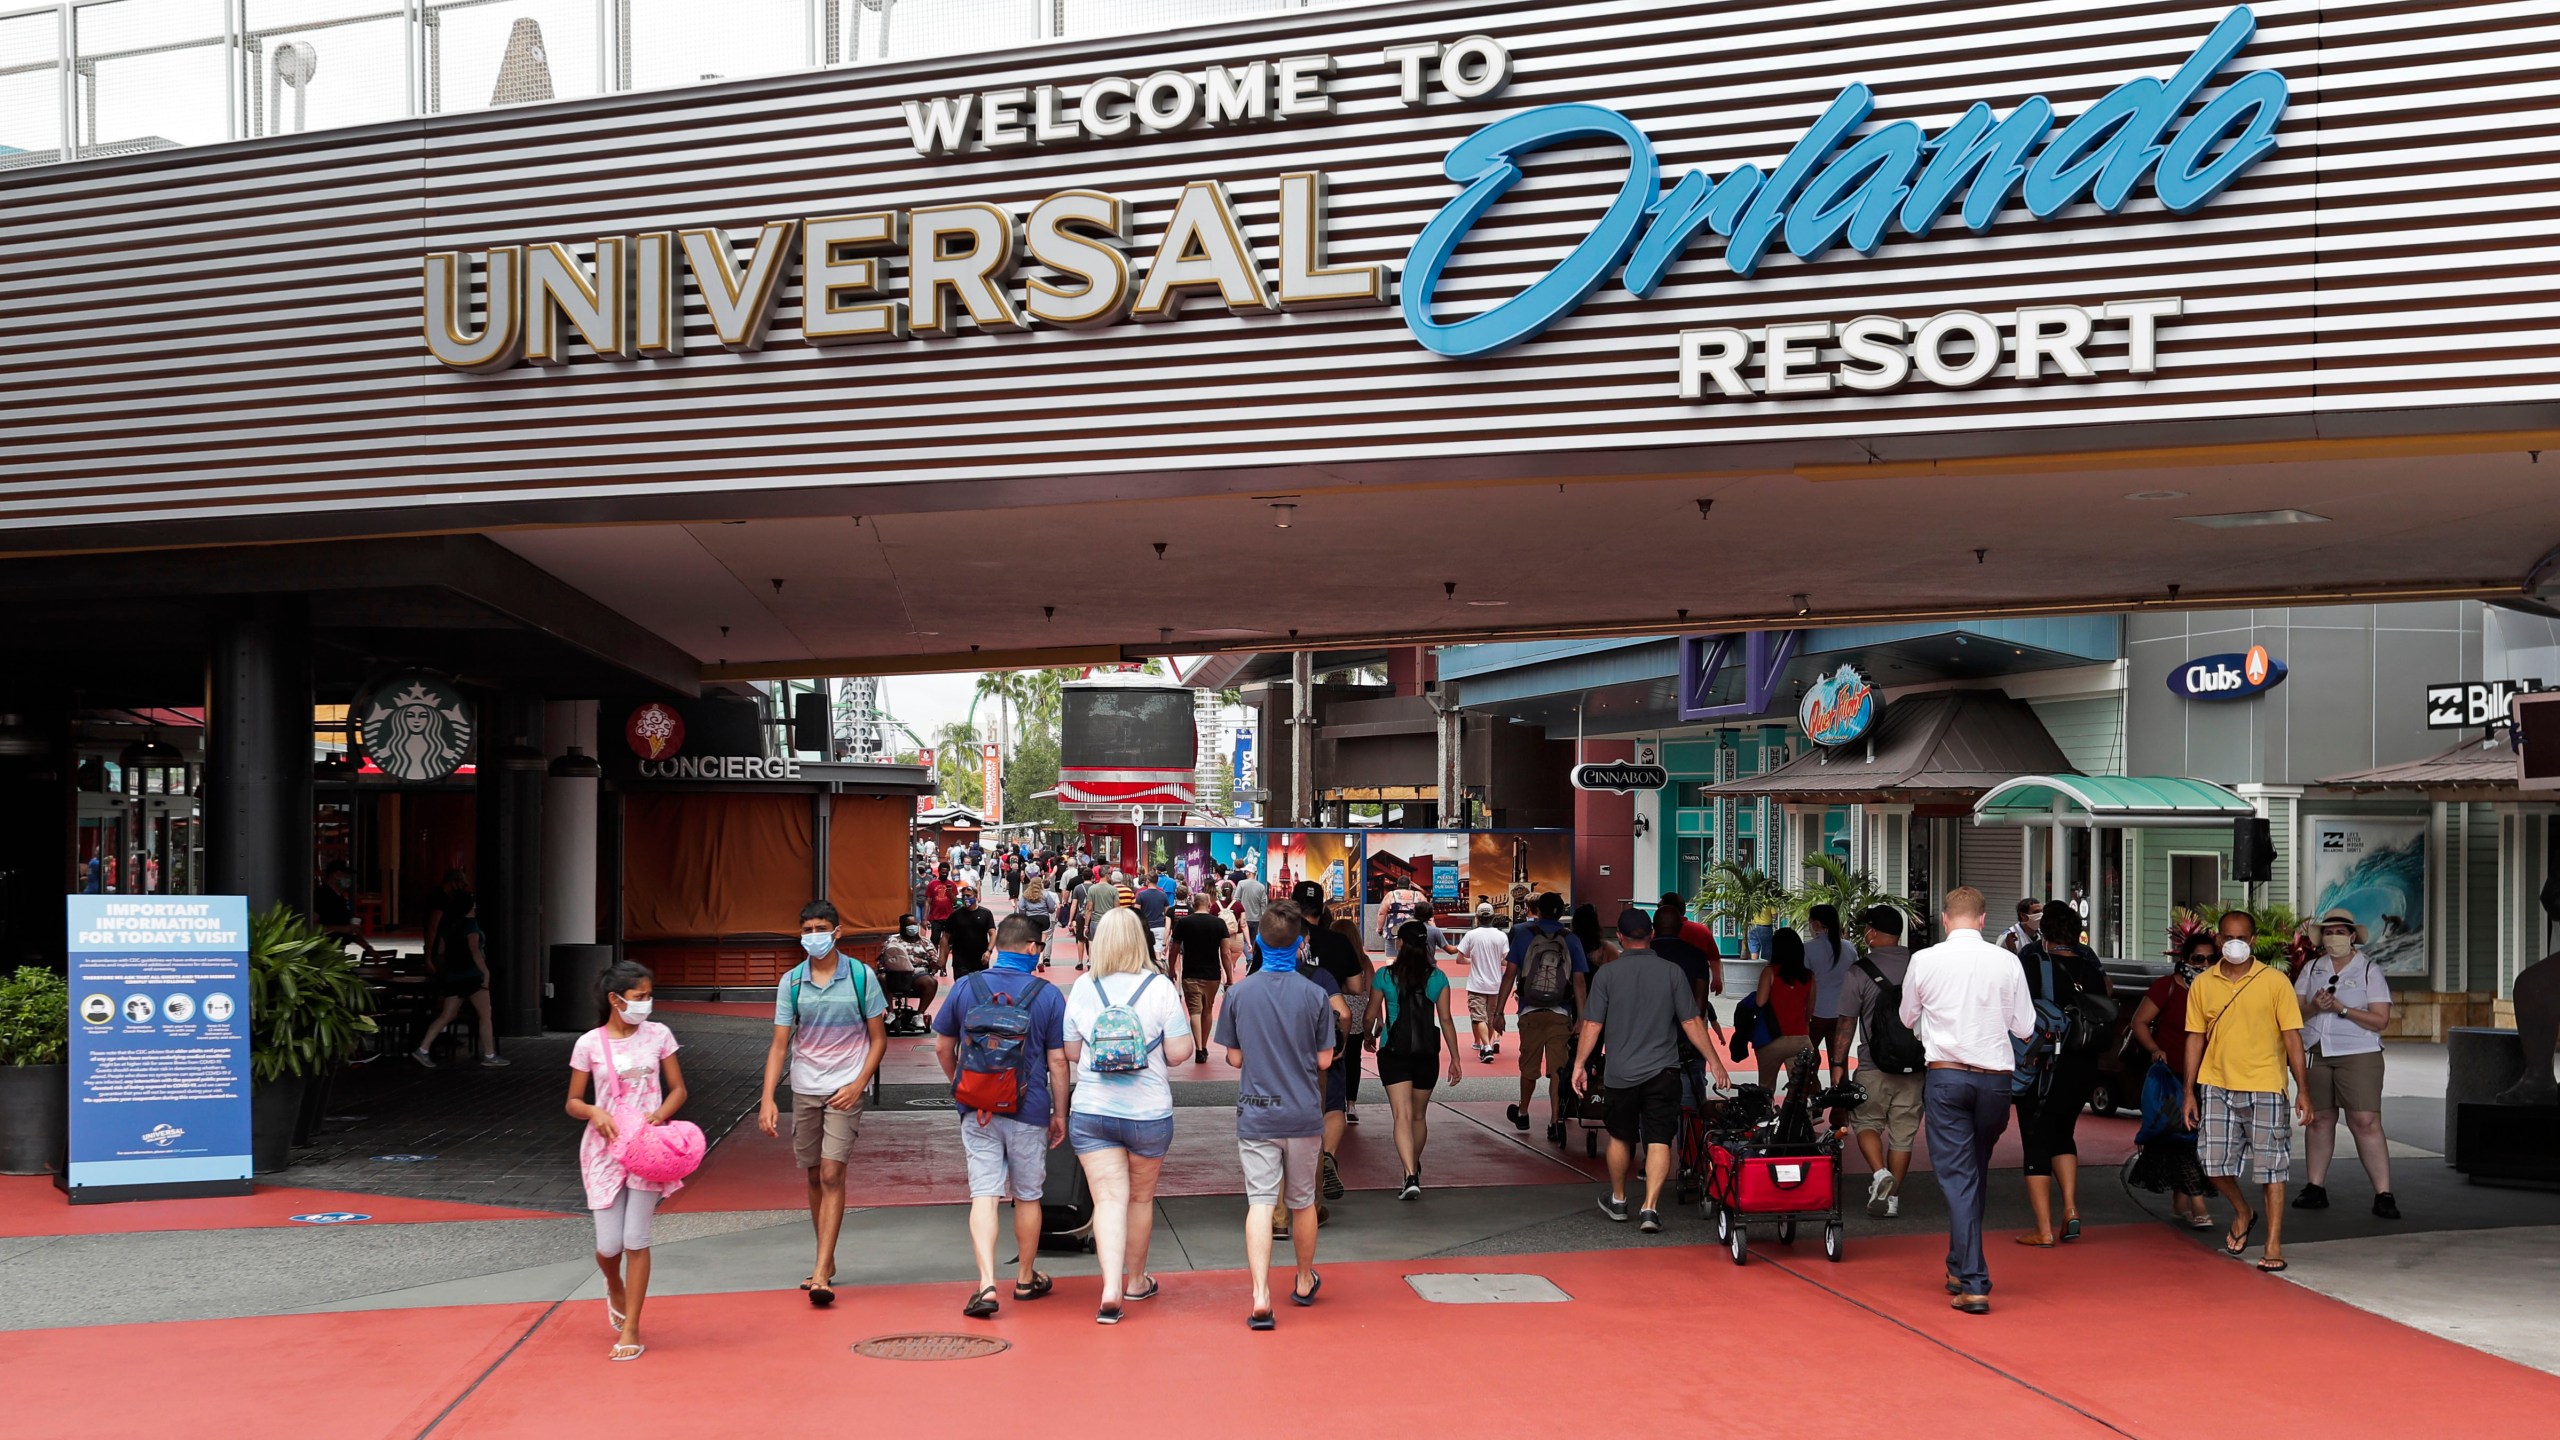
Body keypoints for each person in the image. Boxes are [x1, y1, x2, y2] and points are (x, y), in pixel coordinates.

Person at [1901, 886, 2035, 1314]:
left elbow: (1907, 1017)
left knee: (1959, 1178)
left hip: (1946, 1079)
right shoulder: (2008, 961)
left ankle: (1975, 1281)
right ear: (1982, 919)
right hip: (1996, 1081)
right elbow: (2026, 1026)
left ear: (1944, 919)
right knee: (1973, 1170)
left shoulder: (1924, 960)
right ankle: (1958, 1265)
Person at [934, 914, 1070, 1319]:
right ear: (1031, 948)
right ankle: (1026, 1278)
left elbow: (944, 1047)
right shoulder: (1047, 995)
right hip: (1028, 1110)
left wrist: (961, 1084)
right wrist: (1058, 1113)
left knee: (984, 1194)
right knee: (1027, 1196)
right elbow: (1058, 1062)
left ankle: (987, 1283)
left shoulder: (966, 987)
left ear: (997, 946)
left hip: (977, 1110)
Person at [1065, 909, 1196, 1323]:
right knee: (1139, 1199)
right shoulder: (1159, 987)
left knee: (1107, 1200)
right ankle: (1136, 1281)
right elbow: (1178, 1053)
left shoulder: (1084, 986)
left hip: (1091, 1111)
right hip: (1147, 1113)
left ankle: (1108, 1289)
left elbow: (1070, 1052)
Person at [757, 900, 888, 1308]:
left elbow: (878, 1037)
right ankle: (826, 1261)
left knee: (833, 1173)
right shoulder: (792, 982)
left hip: (846, 1086)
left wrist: (859, 1083)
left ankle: (819, 1272)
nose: (813, 936)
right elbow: (780, 1044)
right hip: (805, 1086)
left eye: (821, 928)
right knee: (814, 1175)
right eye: (807, 929)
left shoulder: (862, 977)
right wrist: (766, 1099)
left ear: (837, 932)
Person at [1214, 906, 1337, 1330]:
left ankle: (1261, 1294)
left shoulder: (1239, 994)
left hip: (1257, 1114)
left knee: (1261, 1203)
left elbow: (1233, 1057)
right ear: (1301, 944)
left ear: (1259, 943)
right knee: (1302, 1202)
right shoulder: (1315, 995)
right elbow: (1324, 1060)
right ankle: (1303, 1279)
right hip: (1303, 1113)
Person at [1575, 908, 1730, 1232]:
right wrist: (1715, 1061)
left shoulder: (1607, 974)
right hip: (1664, 1071)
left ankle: (1618, 1199)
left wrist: (1579, 1064)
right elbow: (1691, 1021)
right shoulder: (1672, 972)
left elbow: (1592, 1023)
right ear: (1652, 936)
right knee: (1659, 1138)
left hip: (1620, 1074)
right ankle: (1650, 1208)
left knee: (1620, 1136)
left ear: (1618, 936)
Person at [566, 960, 687, 1362]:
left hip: (648, 1149)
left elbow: (678, 1090)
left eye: (650, 996)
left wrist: (659, 1115)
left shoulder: (659, 1035)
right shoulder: (589, 1044)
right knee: (608, 1244)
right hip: (603, 1150)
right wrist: (593, 1113)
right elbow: (573, 1101)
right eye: (639, 997)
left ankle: (632, 1326)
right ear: (614, 1000)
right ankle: (613, 1284)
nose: (646, 1004)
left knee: (636, 1240)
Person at [2183, 910, 2312, 1272]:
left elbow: (2292, 1036)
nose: (2234, 943)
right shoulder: (2204, 984)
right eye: (2227, 937)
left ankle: (2272, 1245)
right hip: (2217, 1084)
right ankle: (2243, 1210)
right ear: (2218, 940)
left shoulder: (2275, 982)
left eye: (2242, 937)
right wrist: (2188, 1091)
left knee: (2272, 1169)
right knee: (2211, 1163)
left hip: (2267, 1087)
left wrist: (2303, 1089)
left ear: (2253, 941)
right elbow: (2195, 1037)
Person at [2014, 902, 2111, 1247]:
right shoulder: (2090, 962)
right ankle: (2070, 1208)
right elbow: (2107, 998)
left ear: (2045, 930)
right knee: (2063, 1135)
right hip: (2082, 1062)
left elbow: (2015, 1002)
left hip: (2043, 1064)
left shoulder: (2031, 958)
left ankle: (2042, 1229)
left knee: (2036, 1138)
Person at [2294, 908, 2398, 1219]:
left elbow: (2381, 1020)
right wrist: (2314, 1006)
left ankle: (2383, 1193)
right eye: (2328, 932)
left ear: (2352, 937)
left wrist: (2342, 1010)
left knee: (2365, 1121)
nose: (2334, 937)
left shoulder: (2369, 970)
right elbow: (2294, 1013)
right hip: (2317, 1050)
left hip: (2359, 1053)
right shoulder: (2311, 969)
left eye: (2341, 932)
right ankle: (2315, 1187)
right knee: (2319, 1120)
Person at [2130, 931, 2222, 1230]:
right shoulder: (2167, 987)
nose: (2205, 964)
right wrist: (2155, 1049)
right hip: (2173, 1077)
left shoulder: (2220, 989)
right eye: (2199, 959)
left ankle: (2180, 1201)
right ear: (2185, 959)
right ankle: (2197, 1202)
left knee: (2197, 1140)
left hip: (2209, 1075)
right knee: (2183, 1138)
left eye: (2211, 959)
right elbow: (2139, 1022)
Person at [1367, 920, 1464, 1199]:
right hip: (1426, 1054)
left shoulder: (1384, 976)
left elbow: (1372, 1013)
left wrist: (1368, 1035)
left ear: (1400, 944)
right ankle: (1413, 1168)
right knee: (1419, 1116)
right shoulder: (1438, 978)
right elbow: (1445, 1020)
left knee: (1402, 1115)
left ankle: (1409, 1174)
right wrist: (1455, 1058)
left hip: (1393, 1052)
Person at [1836, 905, 1920, 1216]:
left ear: (1872, 932)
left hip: (1874, 1064)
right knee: (1904, 1132)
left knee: (1866, 1122)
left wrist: (1837, 1066)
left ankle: (1879, 1172)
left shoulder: (1859, 971)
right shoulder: (1919, 965)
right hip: (1915, 1065)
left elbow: (1846, 1023)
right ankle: (1893, 1199)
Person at [1493, 891, 1590, 1145]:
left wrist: (1498, 1011)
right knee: (1558, 1069)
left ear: (1538, 910)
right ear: (1561, 911)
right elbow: (1579, 981)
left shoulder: (1524, 935)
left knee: (1529, 1065)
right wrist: (1582, 1017)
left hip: (1529, 1011)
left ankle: (1523, 1112)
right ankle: (1555, 1120)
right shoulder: (1571, 940)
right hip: (1561, 1012)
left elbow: (1510, 975)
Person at [410, 891, 508, 1068]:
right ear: (469, 906)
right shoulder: (471, 924)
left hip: (454, 975)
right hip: (472, 975)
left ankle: (423, 1048)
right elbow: (474, 951)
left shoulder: (449, 925)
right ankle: (489, 1054)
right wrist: (485, 972)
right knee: (485, 1015)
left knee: (447, 1014)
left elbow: (440, 950)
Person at [1169, 888, 1241, 1064]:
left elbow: (1174, 949)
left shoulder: (1184, 923)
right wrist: (1229, 978)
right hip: (1212, 974)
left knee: (1194, 1009)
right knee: (1207, 1010)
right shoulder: (1219, 924)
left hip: (1190, 973)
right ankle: (1204, 1045)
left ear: (1194, 905)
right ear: (1209, 905)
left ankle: (1199, 1048)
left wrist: (1171, 969)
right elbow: (1225, 953)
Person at [1753, 928, 1814, 1092]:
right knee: (1800, 1091)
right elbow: (1810, 1009)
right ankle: (1803, 1117)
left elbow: (1760, 1002)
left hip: (1772, 1038)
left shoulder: (1770, 972)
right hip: (1801, 1039)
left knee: (1765, 1089)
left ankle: (1766, 1116)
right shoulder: (1809, 976)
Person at [1803, 904, 1858, 1085]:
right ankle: (1840, 1107)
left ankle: (1813, 1098)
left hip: (1816, 1012)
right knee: (1839, 1061)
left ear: (1816, 924)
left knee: (1807, 1059)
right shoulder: (1849, 948)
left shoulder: (1808, 949)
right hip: (1842, 1014)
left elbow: (1804, 982)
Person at [1459, 908, 1511, 1063]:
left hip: (1476, 983)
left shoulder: (1471, 935)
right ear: (1493, 917)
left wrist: (1473, 960)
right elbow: (1506, 960)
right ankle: (1486, 1045)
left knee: (1478, 1016)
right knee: (1491, 1017)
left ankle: (1486, 1046)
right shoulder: (1502, 936)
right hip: (1496, 984)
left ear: (1477, 917)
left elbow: (1460, 958)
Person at [1652, 892, 1726, 997]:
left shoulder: (1659, 932)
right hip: (1695, 986)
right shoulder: (1702, 930)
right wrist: (1717, 979)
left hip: (1662, 988)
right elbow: (1714, 958)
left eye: (1659, 907)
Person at [875, 912, 941, 1026]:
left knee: (931, 982)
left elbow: (934, 959)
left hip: (917, 974)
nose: (913, 927)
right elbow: (883, 958)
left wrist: (935, 964)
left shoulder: (925, 942)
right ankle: (890, 1012)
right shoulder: (893, 940)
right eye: (909, 924)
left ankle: (919, 1015)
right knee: (881, 978)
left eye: (915, 924)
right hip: (895, 974)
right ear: (902, 927)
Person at [940, 885, 996, 977]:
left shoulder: (986, 913)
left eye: (969, 896)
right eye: (963, 896)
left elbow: (992, 934)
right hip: (960, 959)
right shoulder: (955, 915)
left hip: (980, 959)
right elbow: (945, 937)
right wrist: (942, 958)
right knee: (962, 986)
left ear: (976, 897)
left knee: (979, 987)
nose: (966, 898)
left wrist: (988, 951)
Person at [1016, 874, 1058, 967]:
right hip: (1044, 918)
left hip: (1031, 919)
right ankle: (1040, 960)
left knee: (1032, 940)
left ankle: (1032, 960)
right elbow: (1051, 908)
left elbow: (1021, 908)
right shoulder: (1045, 894)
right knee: (1043, 940)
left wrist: (1024, 917)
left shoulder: (1025, 894)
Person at [1132, 871, 1172, 960]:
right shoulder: (1163, 895)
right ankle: (1158, 970)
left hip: (1146, 927)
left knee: (1146, 953)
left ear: (1147, 881)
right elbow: (1167, 912)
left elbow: (1136, 912)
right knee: (1158, 954)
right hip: (1159, 926)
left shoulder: (1141, 895)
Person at [1234, 866, 1269, 933]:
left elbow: (1236, 899)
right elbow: (1263, 903)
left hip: (1243, 917)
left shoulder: (1241, 884)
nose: (1245, 873)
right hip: (1256, 919)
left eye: (1246, 872)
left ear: (1248, 873)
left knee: (1244, 941)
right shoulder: (1261, 887)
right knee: (1254, 940)